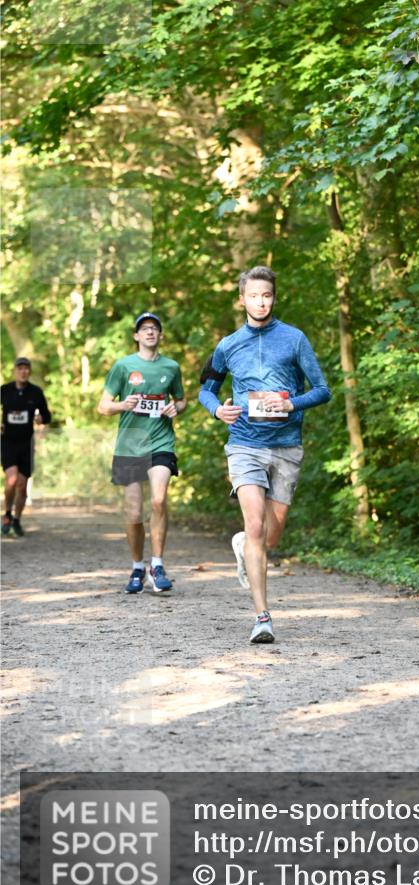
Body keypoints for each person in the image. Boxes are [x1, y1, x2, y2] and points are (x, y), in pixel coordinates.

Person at [199, 266, 331, 644]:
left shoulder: (294, 339)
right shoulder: (228, 345)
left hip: (286, 445)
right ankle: (262, 617)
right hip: (244, 443)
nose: (260, 301)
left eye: (267, 295)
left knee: (270, 538)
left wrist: (293, 404)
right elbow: (206, 389)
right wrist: (216, 409)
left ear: (274, 298)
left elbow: (322, 390)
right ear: (242, 298)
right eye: (253, 295)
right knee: (255, 525)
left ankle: (243, 546)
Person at [98, 313, 186, 594]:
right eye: (144, 329)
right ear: (136, 336)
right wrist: (123, 405)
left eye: (155, 329)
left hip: (161, 442)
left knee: (159, 500)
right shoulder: (123, 366)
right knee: (134, 511)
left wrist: (176, 407)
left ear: (160, 336)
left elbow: (181, 399)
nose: (150, 332)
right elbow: (103, 406)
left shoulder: (171, 367)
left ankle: (157, 565)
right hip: (129, 446)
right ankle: (137, 566)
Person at [1, 357, 51, 536]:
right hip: (7, 442)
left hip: (26, 444)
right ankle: (6, 514)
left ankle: (17, 519)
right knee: (12, 480)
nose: (23, 372)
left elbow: (47, 415)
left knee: (22, 485)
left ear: (29, 372)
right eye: (20, 368)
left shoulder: (36, 392)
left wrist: (41, 419)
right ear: (15, 371)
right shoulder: (4, 391)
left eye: (26, 369)